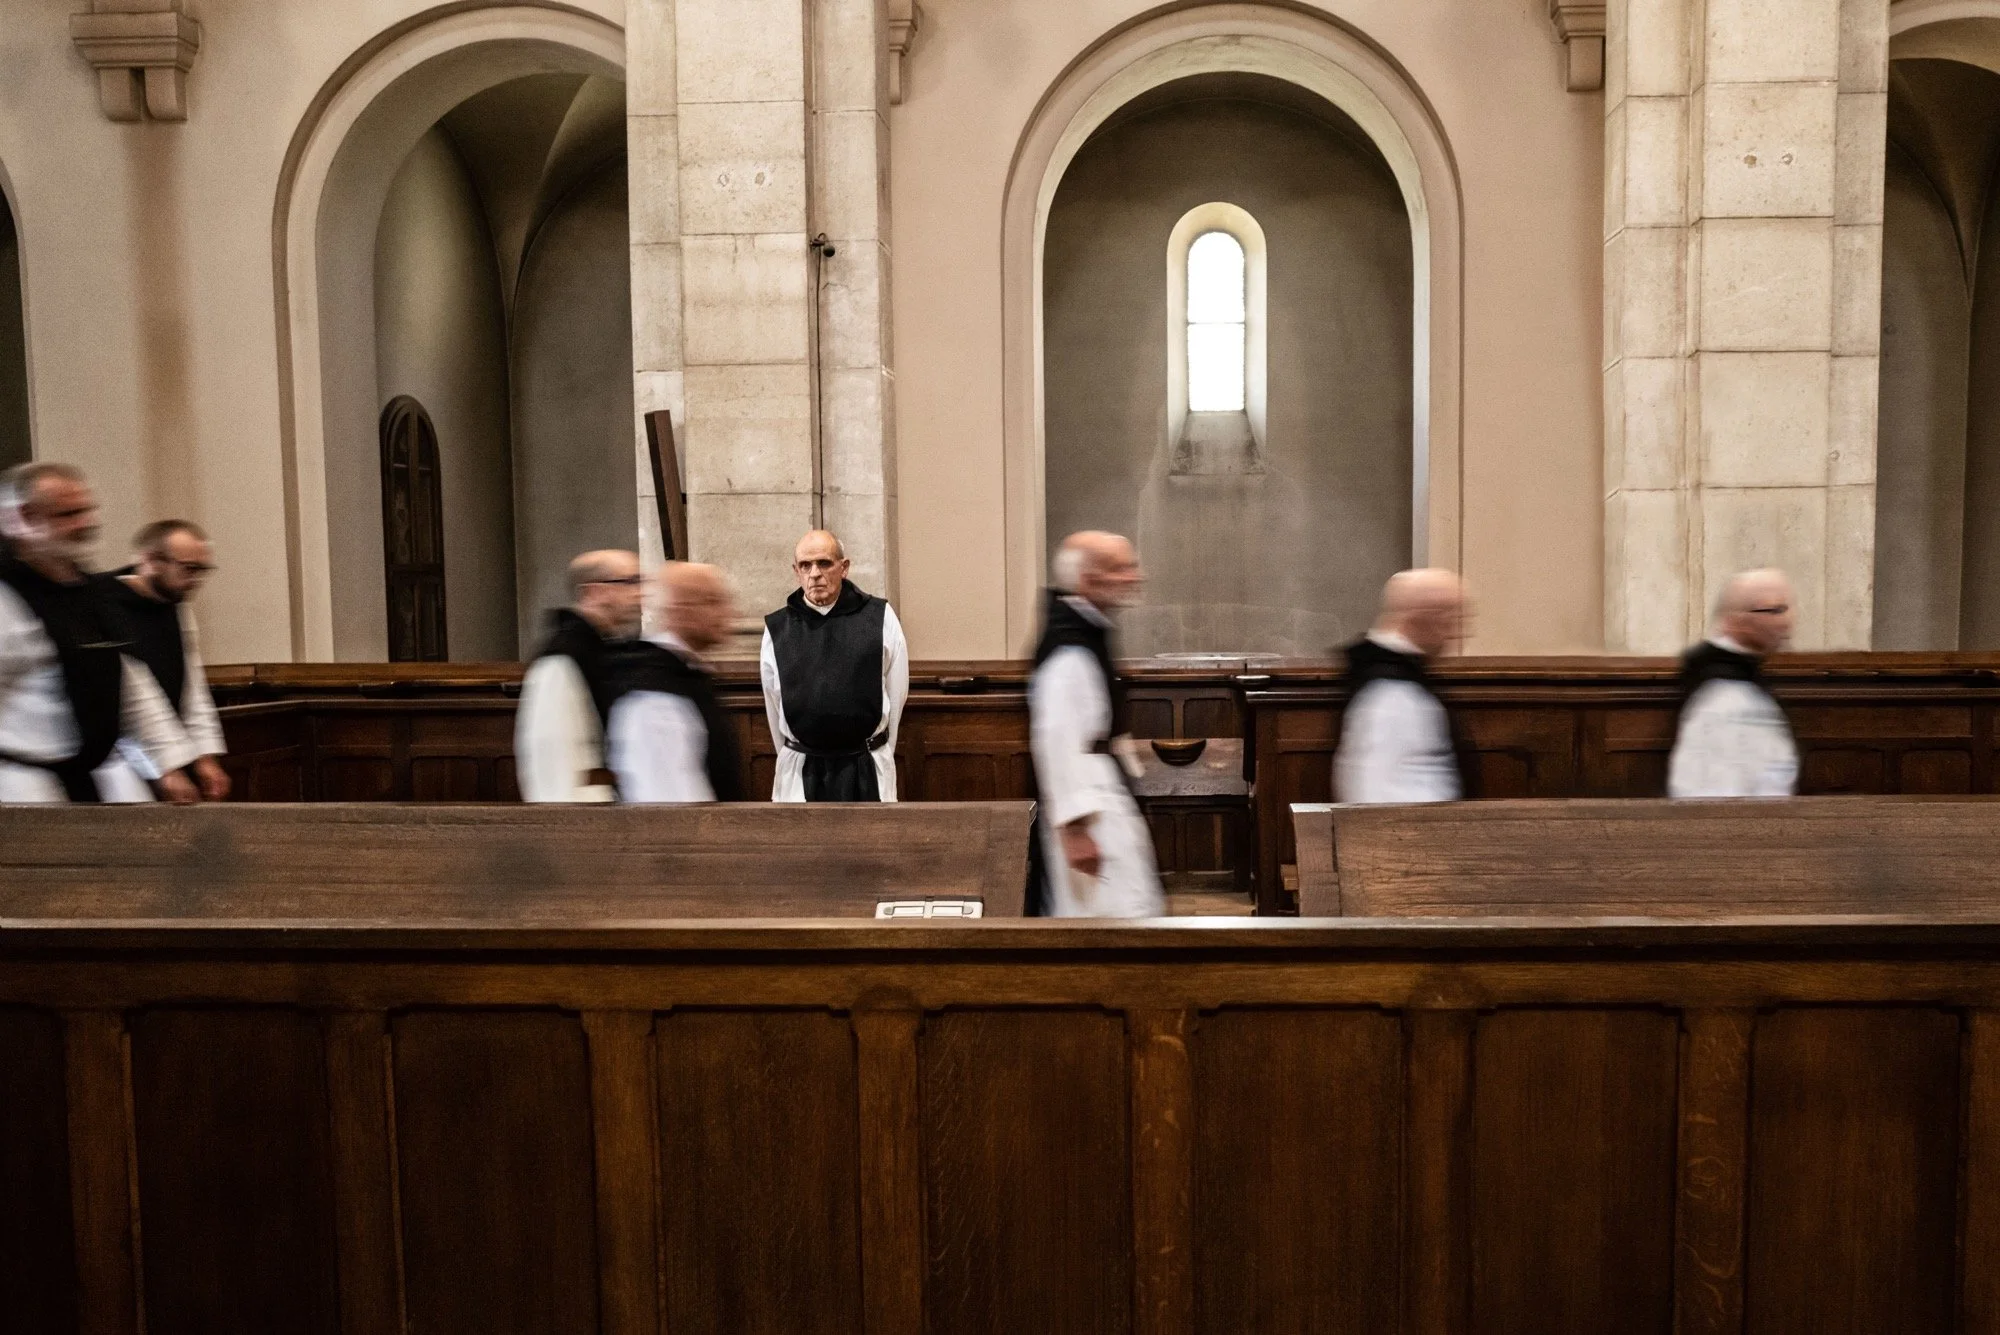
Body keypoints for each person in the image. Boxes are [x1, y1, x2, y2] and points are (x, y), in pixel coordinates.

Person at [0, 462, 199, 803]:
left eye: (86, 511)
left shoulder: (87, 589)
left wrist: (167, 763)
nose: (85, 524)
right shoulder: (6, 595)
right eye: (68, 514)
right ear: (27, 517)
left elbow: (125, 680)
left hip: (99, 774)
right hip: (24, 786)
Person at [1028, 530, 1163, 918]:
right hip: (1089, 808)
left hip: (1100, 791)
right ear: (1089, 578)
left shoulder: (1088, 632)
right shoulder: (1069, 648)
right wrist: (1076, 829)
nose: (1134, 577)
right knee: (1103, 916)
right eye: (1120, 569)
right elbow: (1056, 736)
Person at [760, 530, 909, 801]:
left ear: (844, 568)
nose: (814, 573)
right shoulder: (778, 628)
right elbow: (773, 704)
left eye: (824, 563)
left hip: (866, 766)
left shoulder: (879, 618)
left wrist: (878, 748)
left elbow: (896, 693)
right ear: (796, 572)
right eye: (805, 565)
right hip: (801, 768)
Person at [605, 561, 746, 803]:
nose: (728, 613)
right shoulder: (656, 695)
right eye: (712, 601)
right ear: (681, 609)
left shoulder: (687, 674)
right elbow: (667, 803)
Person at [111, 519, 229, 801]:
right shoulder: (106, 604)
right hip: (117, 752)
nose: (196, 579)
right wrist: (166, 767)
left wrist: (205, 756)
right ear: (150, 560)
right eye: (188, 568)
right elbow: (134, 697)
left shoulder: (176, 605)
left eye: (202, 570)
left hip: (163, 746)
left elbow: (192, 686)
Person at [515, 549, 643, 802]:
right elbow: (555, 762)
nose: (639, 593)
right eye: (630, 582)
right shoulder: (561, 661)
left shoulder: (602, 649)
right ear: (595, 591)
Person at [1333, 568, 1468, 804]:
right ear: (1425, 617)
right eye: (1451, 619)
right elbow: (1372, 794)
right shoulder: (1391, 691)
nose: (1457, 633)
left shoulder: (1394, 673)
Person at [1668, 568, 1798, 798]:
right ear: (1737, 621)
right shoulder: (1725, 695)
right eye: (1774, 610)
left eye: (1786, 609)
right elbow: (1711, 795)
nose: (1786, 622)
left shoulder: (1744, 677)